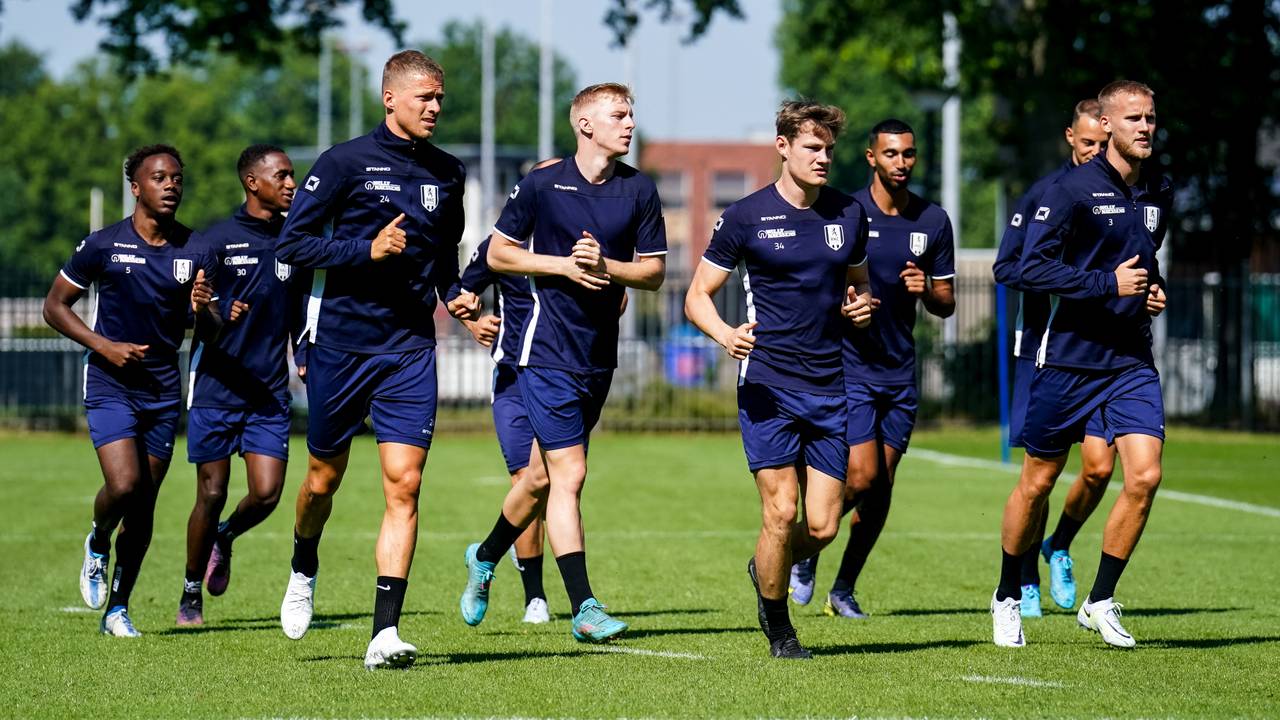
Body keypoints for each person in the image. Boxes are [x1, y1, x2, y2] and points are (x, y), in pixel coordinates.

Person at [274, 50, 478, 669]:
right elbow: (294, 244)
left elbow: (443, 257)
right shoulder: (343, 162)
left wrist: (458, 298)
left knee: (405, 484)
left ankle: (384, 633)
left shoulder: (449, 172)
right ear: (390, 98)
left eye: (440, 98)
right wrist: (367, 249)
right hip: (342, 346)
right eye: (424, 97)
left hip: (410, 348)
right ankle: (303, 562)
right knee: (322, 481)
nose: (435, 108)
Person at [458, 83, 666, 644]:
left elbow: (651, 272)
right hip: (542, 352)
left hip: (597, 356)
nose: (629, 123)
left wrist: (606, 266)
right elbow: (497, 253)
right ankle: (584, 606)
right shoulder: (543, 185)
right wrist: (562, 267)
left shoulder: (639, 190)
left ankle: (484, 555)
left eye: (631, 113)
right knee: (570, 475)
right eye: (618, 115)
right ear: (585, 125)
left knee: (540, 478)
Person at [685, 101, 874, 658]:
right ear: (783, 147)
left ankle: (764, 564)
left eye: (829, 151)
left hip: (829, 385)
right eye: (812, 148)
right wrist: (724, 335)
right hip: (767, 384)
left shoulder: (848, 214)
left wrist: (860, 305)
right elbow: (697, 296)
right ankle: (779, 628)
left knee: (821, 527)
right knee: (780, 512)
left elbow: (858, 286)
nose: (822, 159)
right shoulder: (745, 217)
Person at [991, 80, 1171, 649]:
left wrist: (1153, 288)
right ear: (1107, 125)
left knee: (1143, 475)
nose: (1145, 127)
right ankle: (1005, 594)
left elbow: (1143, 260)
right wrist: (1105, 284)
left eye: (1150, 118)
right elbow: (1024, 269)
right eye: (1134, 118)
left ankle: (1100, 599)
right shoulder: (1068, 191)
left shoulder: (1159, 190)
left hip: (1130, 360)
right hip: (1067, 360)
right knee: (1037, 482)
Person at [45, 144, 218, 636]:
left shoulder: (197, 249)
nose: (171, 186)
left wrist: (205, 309)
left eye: (177, 179)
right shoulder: (102, 245)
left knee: (143, 507)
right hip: (109, 381)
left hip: (163, 390)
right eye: (160, 178)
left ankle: (117, 610)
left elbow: (210, 330)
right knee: (124, 486)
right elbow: (54, 307)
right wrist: (104, 345)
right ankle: (98, 541)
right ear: (136, 187)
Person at [788, 119, 955, 619]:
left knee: (881, 487)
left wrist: (927, 288)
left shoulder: (933, 221)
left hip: (900, 372)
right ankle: (806, 549)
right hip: (850, 366)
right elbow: (819, 285)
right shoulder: (845, 212)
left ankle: (843, 589)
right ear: (871, 158)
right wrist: (842, 305)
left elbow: (946, 304)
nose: (900, 163)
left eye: (908, 154)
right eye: (891, 154)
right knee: (861, 477)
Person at [992, 100, 1116, 618]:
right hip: (1045, 349)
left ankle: (1059, 545)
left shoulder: (1126, 197)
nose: (1096, 153)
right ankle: (1021, 579)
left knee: (1099, 468)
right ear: (1070, 137)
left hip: (1105, 355)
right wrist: (1071, 279)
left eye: (1103, 145)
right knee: (1039, 475)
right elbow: (1007, 267)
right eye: (1088, 143)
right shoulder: (1046, 194)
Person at [177, 145, 305, 626]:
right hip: (216, 386)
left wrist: (306, 357)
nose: (291, 183)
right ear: (253, 182)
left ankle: (224, 538)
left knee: (268, 494)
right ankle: (191, 590)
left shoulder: (297, 240)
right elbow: (195, 317)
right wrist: (215, 313)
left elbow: (297, 314)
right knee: (209, 494)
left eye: (292, 175)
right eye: (282, 176)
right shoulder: (215, 241)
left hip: (268, 390)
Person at [447, 232, 552, 625]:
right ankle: (535, 598)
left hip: (559, 377)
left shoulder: (572, 236)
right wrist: (473, 322)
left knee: (555, 484)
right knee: (526, 481)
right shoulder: (500, 245)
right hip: (512, 380)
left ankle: (492, 549)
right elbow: (459, 289)